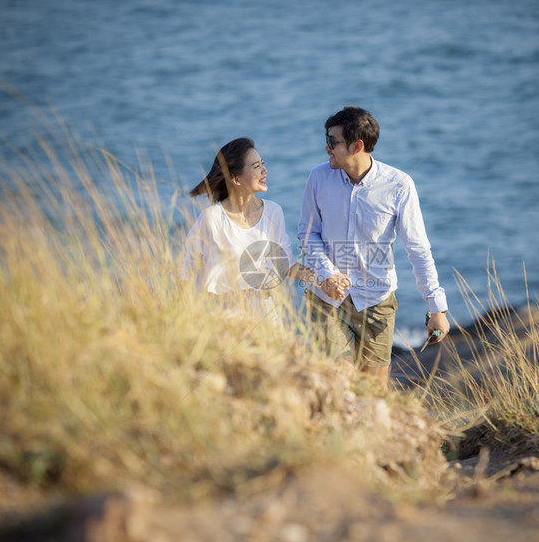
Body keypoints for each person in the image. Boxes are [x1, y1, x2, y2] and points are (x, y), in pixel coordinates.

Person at [298, 106, 450, 389]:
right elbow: (308, 234)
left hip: (377, 301)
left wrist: (436, 307)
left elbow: (417, 249)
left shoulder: (399, 185)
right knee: (338, 378)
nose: (326, 148)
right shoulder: (318, 178)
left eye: (333, 142)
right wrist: (327, 272)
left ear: (357, 145)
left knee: (372, 390)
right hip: (328, 298)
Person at [183, 137, 311, 315]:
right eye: (256, 167)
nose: (265, 171)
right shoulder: (211, 218)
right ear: (236, 179)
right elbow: (188, 271)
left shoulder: (273, 211)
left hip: (266, 314)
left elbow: (286, 264)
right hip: (222, 315)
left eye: (262, 164)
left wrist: (323, 278)